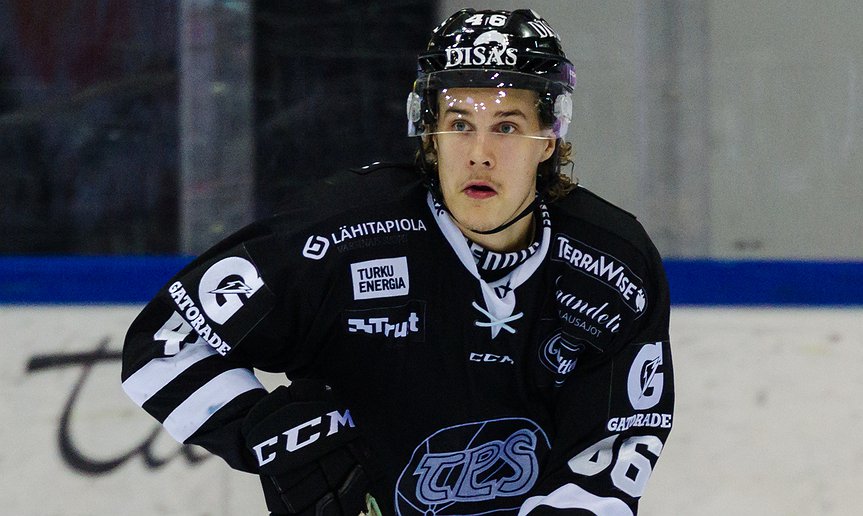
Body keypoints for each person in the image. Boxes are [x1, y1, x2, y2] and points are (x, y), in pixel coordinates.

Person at [122, 8, 674, 516]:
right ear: (430, 135)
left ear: (548, 139)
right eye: (459, 123)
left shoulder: (613, 267)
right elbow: (163, 345)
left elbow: (615, 446)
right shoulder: (340, 237)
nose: (479, 154)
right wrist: (265, 433)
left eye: (506, 126)